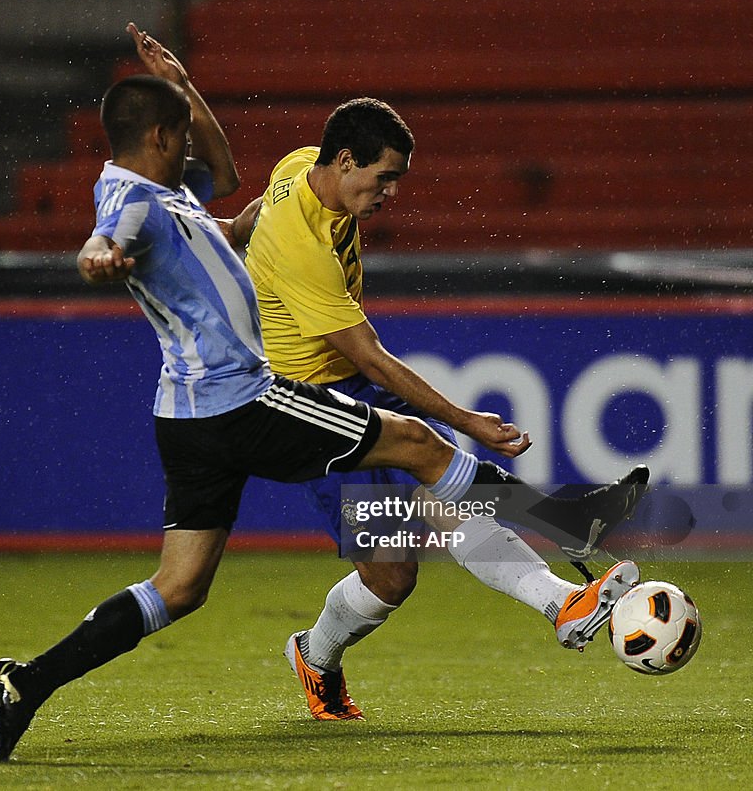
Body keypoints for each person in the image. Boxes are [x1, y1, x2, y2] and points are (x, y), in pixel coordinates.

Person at [0, 25, 641, 762]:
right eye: (383, 179)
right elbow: (111, 235)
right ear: (161, 137)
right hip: (255, 396)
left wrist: (187, 86)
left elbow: (229, 185)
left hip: (189, 413)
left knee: (184, 585)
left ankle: (27, 682)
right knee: (424, 446)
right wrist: (99, 255)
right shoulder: (138, 202)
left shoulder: (220, 183)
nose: (388, 196)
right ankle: (567, 529)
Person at [226, 98, 649, 720]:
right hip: (312, 407)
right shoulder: (302, 245)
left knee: (439, 488)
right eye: (384, 178)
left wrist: (218, 239)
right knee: (392, 574)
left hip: (347, 383)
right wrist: (470, 420)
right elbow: (371, 357)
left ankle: (564, 595)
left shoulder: (301, 168)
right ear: (346, 161)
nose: (390, 193)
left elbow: (252, 215)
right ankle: (314, 657)